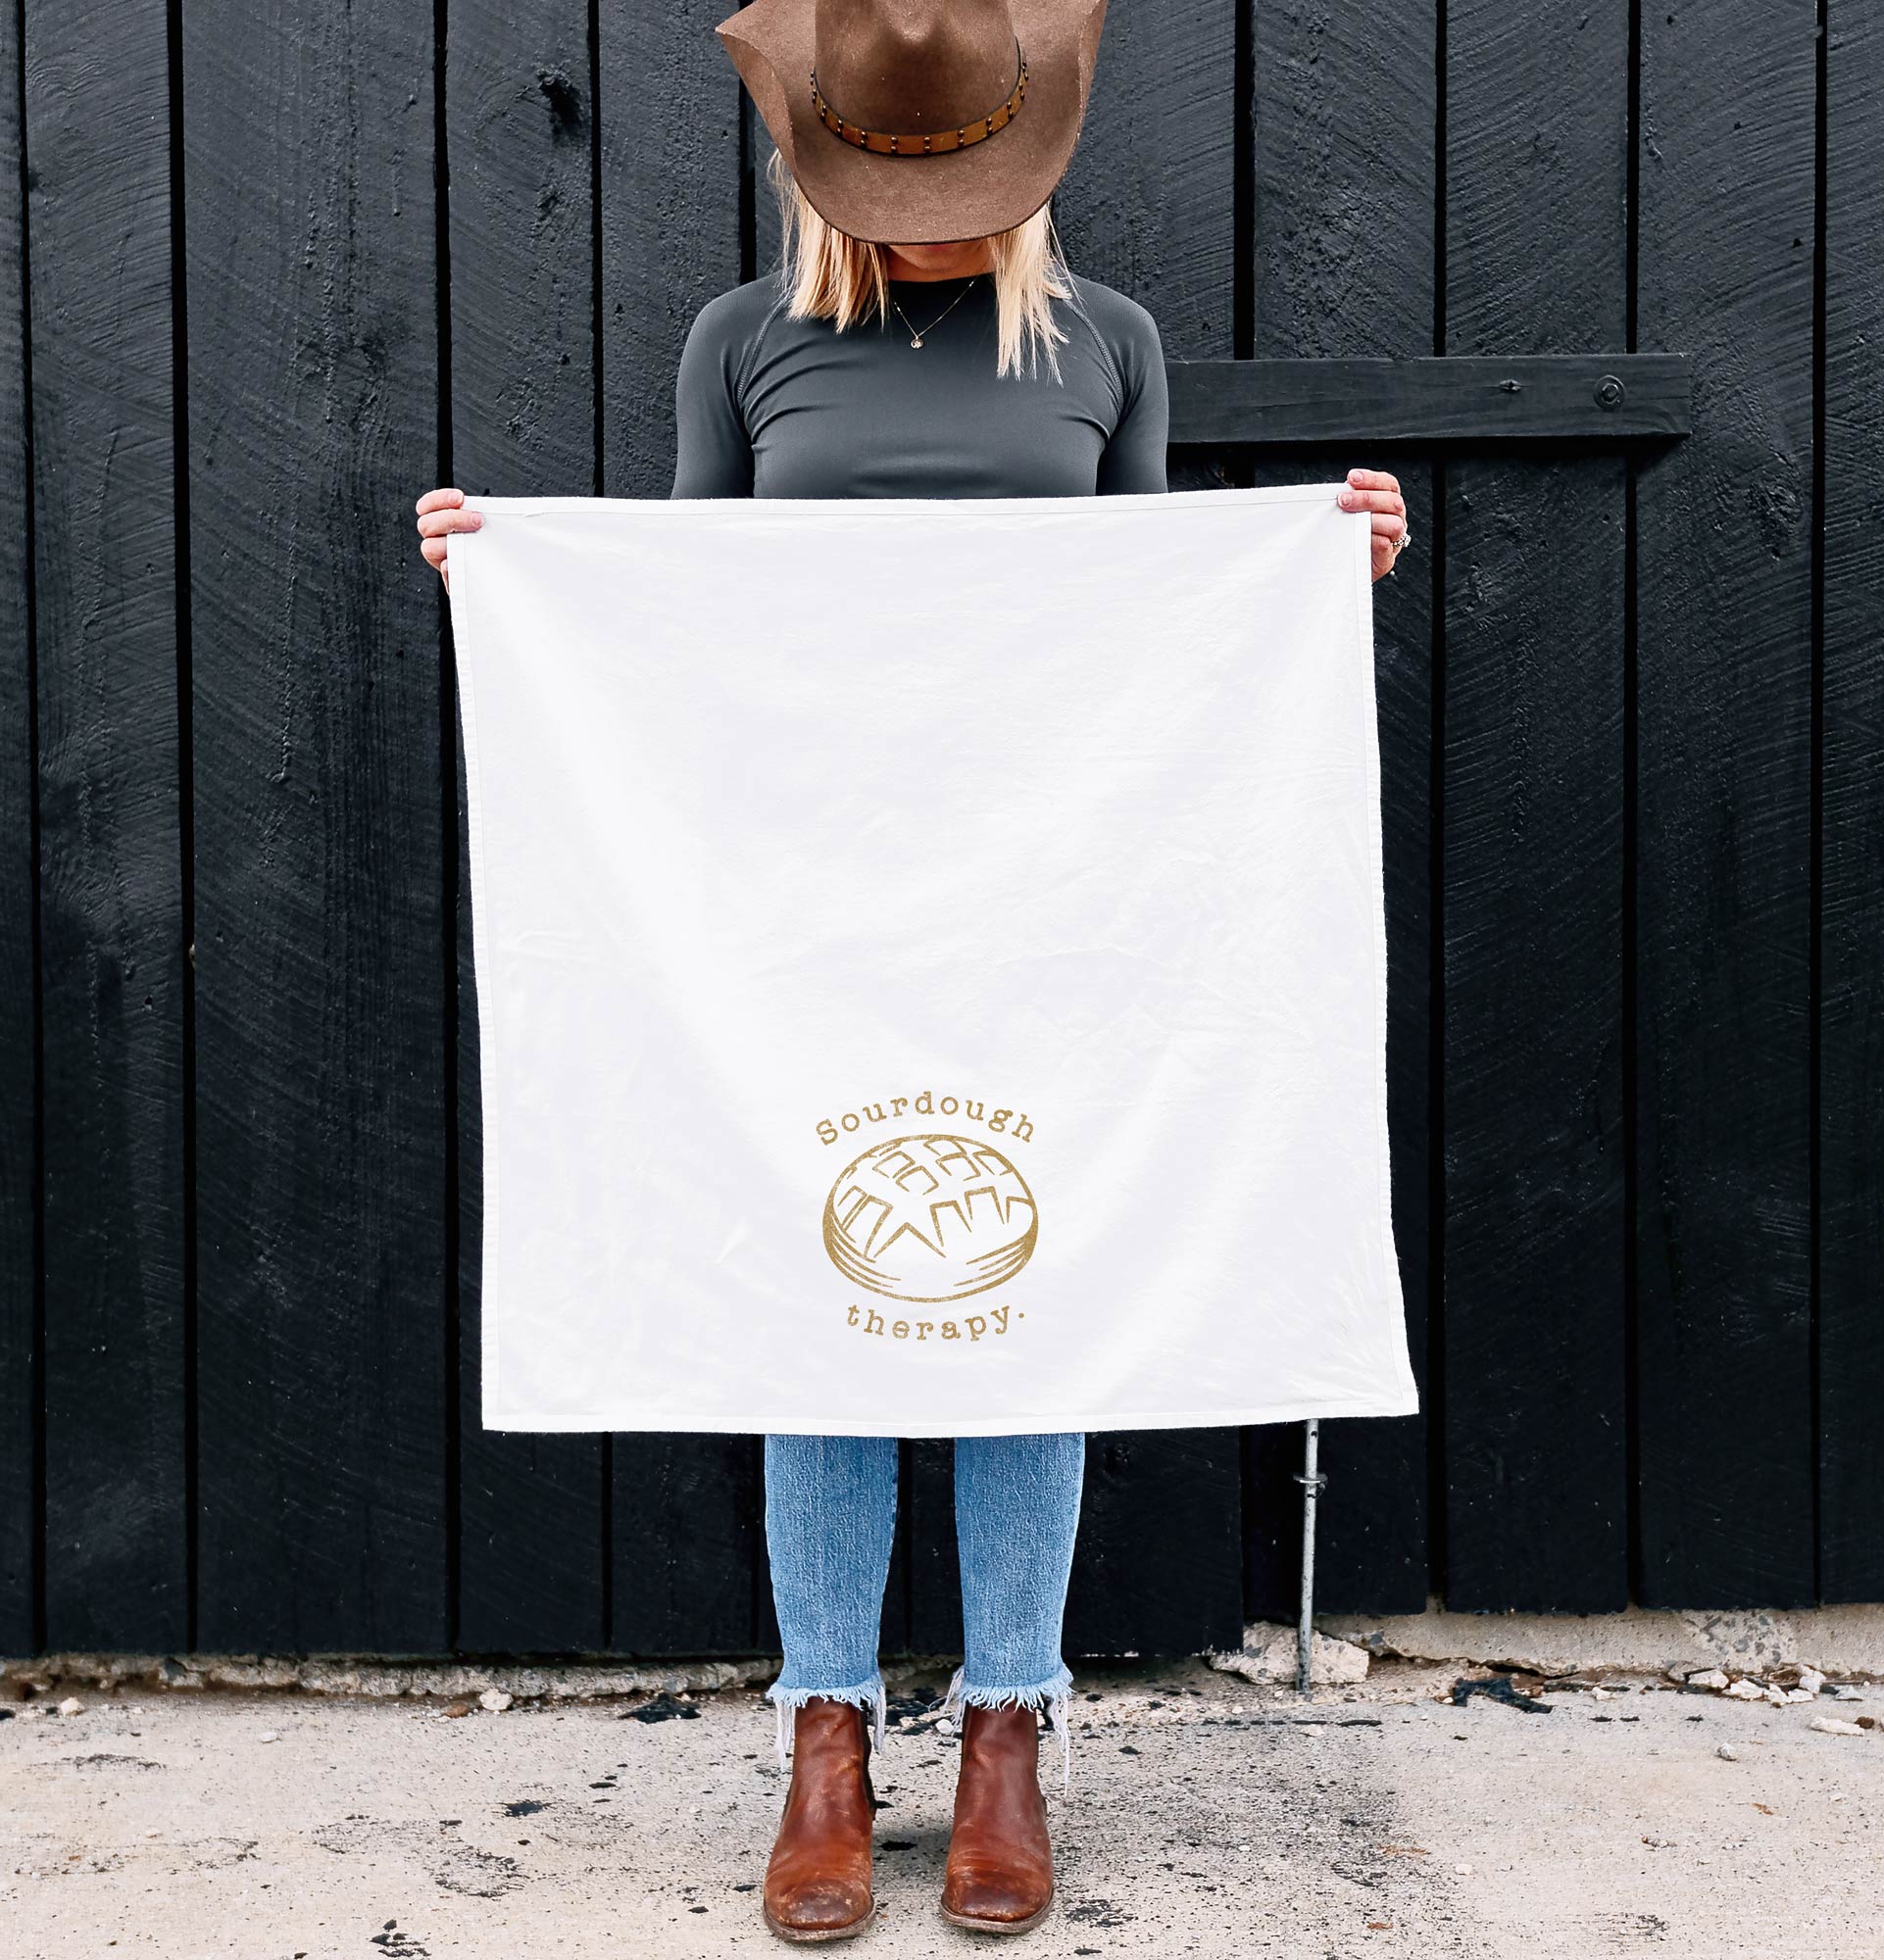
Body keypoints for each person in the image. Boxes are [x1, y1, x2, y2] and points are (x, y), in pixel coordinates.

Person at [415, 0, 1409, 1939]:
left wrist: (1308, 570)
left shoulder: (1102, 342)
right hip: (802, 910)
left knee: (1031, 1285)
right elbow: (689, 628)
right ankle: (822, 1726)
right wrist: (516, 585)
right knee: (823, 1303)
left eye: (967, 179)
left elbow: (1149, 628)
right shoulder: (745, 341)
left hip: (1049, 901)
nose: (936, 218)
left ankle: (1011, 1727)